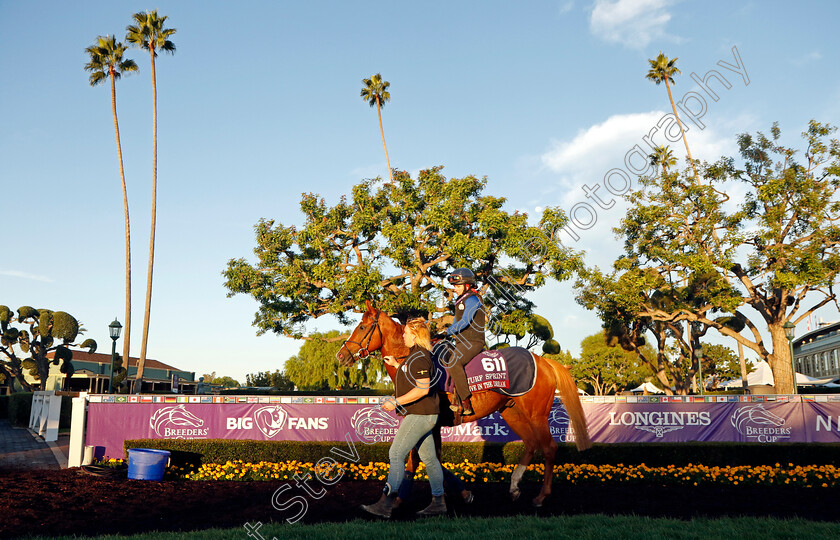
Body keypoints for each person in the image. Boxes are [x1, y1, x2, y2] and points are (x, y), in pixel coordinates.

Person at [361, 318, 447, 519]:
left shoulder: (420, 357)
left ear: (415, 335)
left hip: (420, 415)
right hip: (424, 415)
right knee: (429, 459)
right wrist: (397, 364)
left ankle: (386, 504)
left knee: (396, 453)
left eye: (406, 332)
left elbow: (423, 388)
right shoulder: (415, 355)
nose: (403, 335)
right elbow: (411, 375)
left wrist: (396, 401)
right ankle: (439, 502)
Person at [443, 268, 486, 416]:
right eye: (454, 286)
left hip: (474, 341)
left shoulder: (473, 299)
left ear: (467, 285)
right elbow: (455, 322)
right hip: (461, 342)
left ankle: (466, 401)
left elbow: (465, 322)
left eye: (458, 286)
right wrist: (442, 335)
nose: (455, 289)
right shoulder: (459, 301)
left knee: (454, 362)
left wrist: (447, 331)